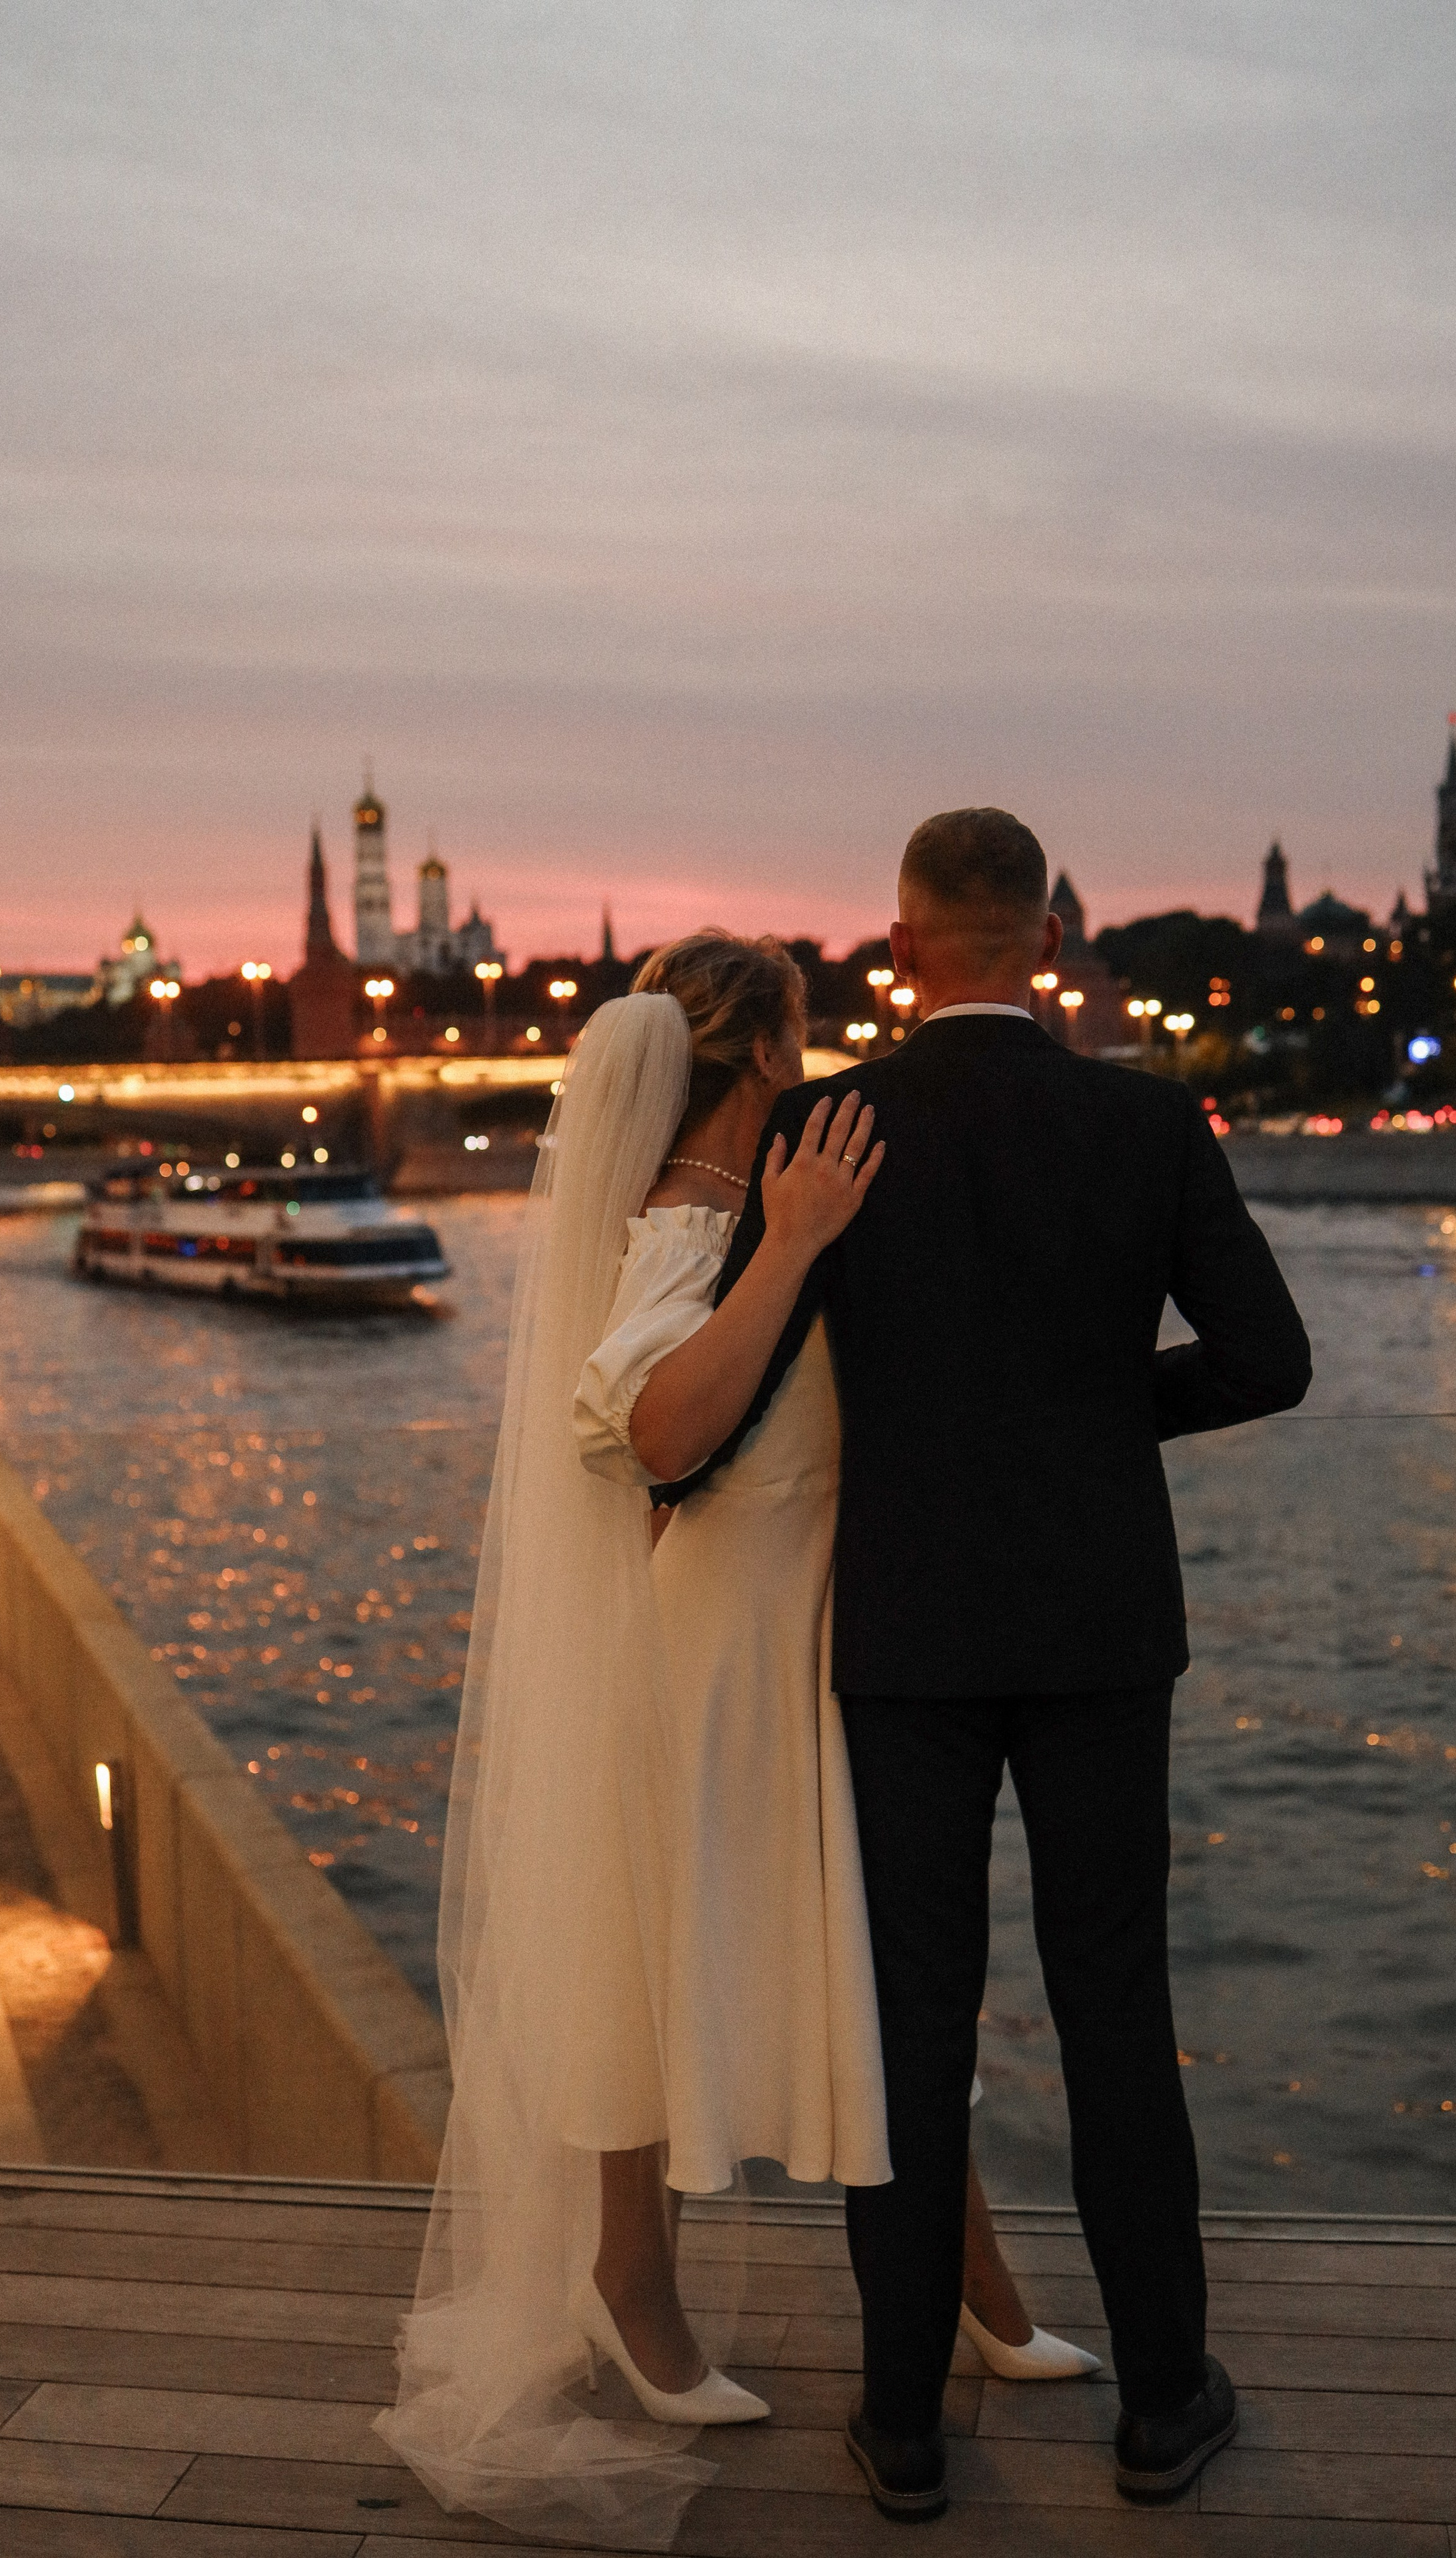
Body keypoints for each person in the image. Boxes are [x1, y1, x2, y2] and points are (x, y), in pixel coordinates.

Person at [378, 933, 1092, 2552]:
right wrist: (791, 1247)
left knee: (869, 1974)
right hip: (721, 1645)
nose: (819, 1033)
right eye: (800, 1013)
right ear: (762, 1040)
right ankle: (639, 2286)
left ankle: (970, 2286)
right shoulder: (709, 1210)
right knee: (681, 1962)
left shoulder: (765, 1170)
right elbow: (644, 1426)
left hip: (808, 1626)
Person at [672, 814, 1313, 2522]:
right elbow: (1269, 1360)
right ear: (1040, 939)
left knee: (908, 2018)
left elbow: (723, 1401)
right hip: (1103, 1625)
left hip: (907, 1631)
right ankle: (1165, 2401)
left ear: (901, 944)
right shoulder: (1144, 1115)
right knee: (1117, 2008)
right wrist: (1104, 1419)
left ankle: (901, 2428)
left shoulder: (830, 1124)